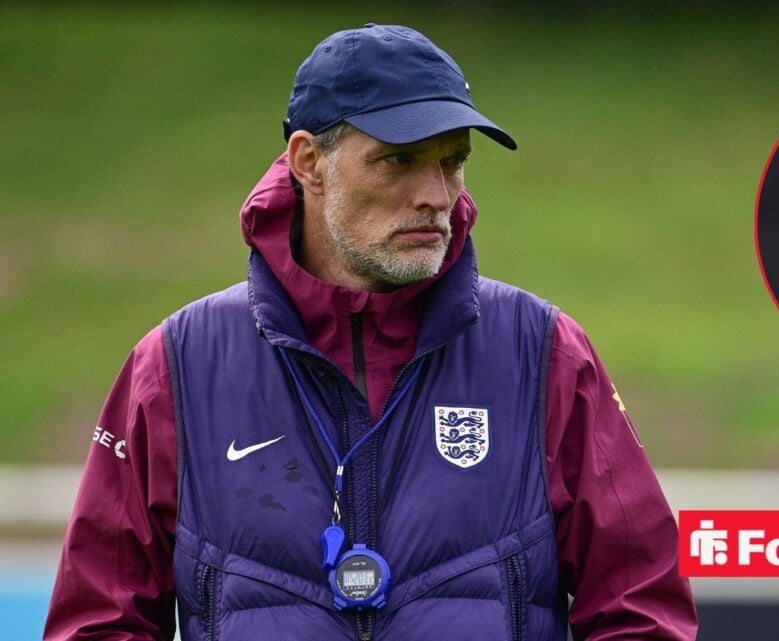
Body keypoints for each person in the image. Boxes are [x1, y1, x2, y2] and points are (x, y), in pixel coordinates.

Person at [45, 24, 697, 640]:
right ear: (309, 162)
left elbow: (642, 609)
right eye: (399, 160)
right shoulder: (176, 366)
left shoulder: (545, 353)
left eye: (453, 161)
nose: (435, 195)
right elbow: (98, 623)